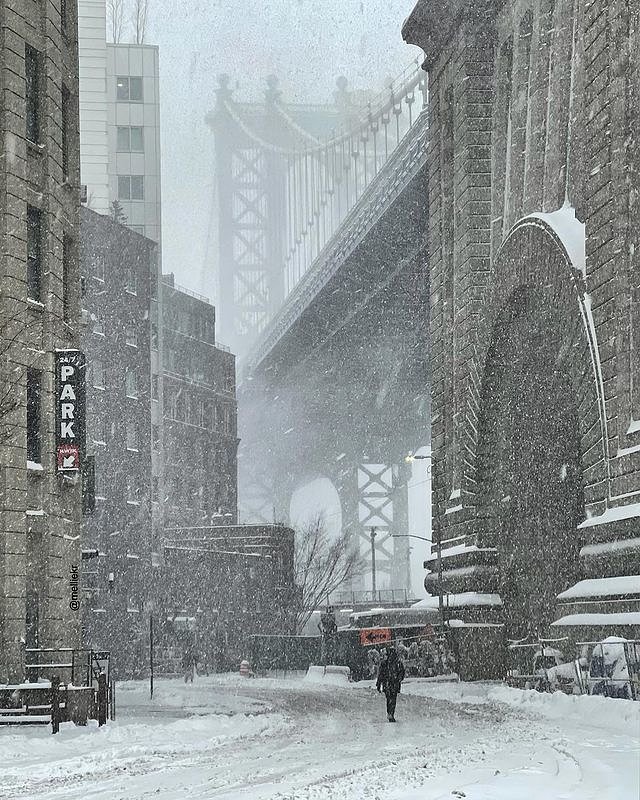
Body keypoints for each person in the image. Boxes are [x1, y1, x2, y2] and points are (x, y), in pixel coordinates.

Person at [376, 646, 405, 722]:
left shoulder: (385, 663)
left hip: (387, 684)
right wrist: (398, 679)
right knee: (393, 699)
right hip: (393, 684)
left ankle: (390, 713)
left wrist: (378, 684)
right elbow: (402, 673)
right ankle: (391, 714)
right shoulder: (397, 663)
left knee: (389, 699)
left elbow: (380, 675)